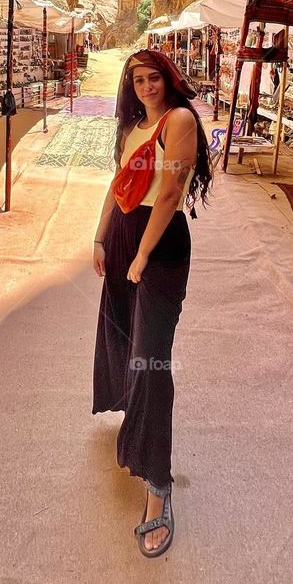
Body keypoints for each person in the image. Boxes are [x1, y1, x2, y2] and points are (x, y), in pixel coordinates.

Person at [91, 49, 214, 557]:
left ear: (168, 78)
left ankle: (158, 486)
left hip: (159, 246)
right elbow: (118, 184)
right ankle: (133, 420)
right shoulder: (132, 127)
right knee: (121, 333)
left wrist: (142, 254)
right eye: (138, 79)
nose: (146, 86)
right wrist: (101, 238)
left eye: (154, 77)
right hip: (125, 234)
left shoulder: (178, 120)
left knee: (151, 358)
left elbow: (170, 192)